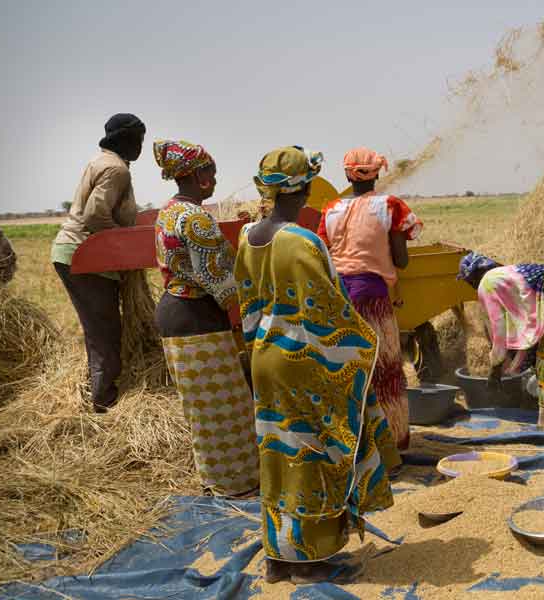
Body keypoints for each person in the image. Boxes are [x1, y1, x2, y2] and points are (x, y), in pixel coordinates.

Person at [235, 147, 399, 584]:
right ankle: (309, 560)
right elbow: (331, 310)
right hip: (304, 361)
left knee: (276, 452)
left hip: (264, 358)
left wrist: (253, 354)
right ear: (305, 188)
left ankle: (277, 557)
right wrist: (365, 344)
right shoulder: (303, 241)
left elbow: (248, 306)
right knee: (314, 452)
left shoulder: (247, 236)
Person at [152, 139, 258, 497]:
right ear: (198, 176)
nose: (215, 177)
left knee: (202, 410)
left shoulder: (167, 211)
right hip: (196, 318)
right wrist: (252, 308)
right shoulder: (196, 218)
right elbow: (216, 280)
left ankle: (215, 480)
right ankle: (237, 485)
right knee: (225, 409)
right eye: (210, 171)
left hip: (175, 313)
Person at [317, 147, 422, 449]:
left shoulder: (332, 209)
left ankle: (352, 446)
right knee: (384, 371)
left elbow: (323, 253)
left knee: (349, 371)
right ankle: (390, 444)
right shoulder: (389, 206)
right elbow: (401, 260)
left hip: (338, 298)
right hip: (372, 298)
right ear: (377, 172)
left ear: (347, 174)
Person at [51, 113, 145, 412]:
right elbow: (94, 216)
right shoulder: (117, 169)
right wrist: (126, 245)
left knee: (99, 328)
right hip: (86, 256)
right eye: (138, 139)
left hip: (77, 253)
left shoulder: (101, 161)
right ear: (126, 140)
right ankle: (103, 402)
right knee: (104, 330)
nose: (140, 146)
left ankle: (102, 392)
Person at [457, 251, 544, 428]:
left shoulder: (486, 284)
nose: (471, 286)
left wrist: (495, 371)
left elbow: (498, 333)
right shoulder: (507, 276)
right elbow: (526, 324)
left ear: (474, 276)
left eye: (468, 281)